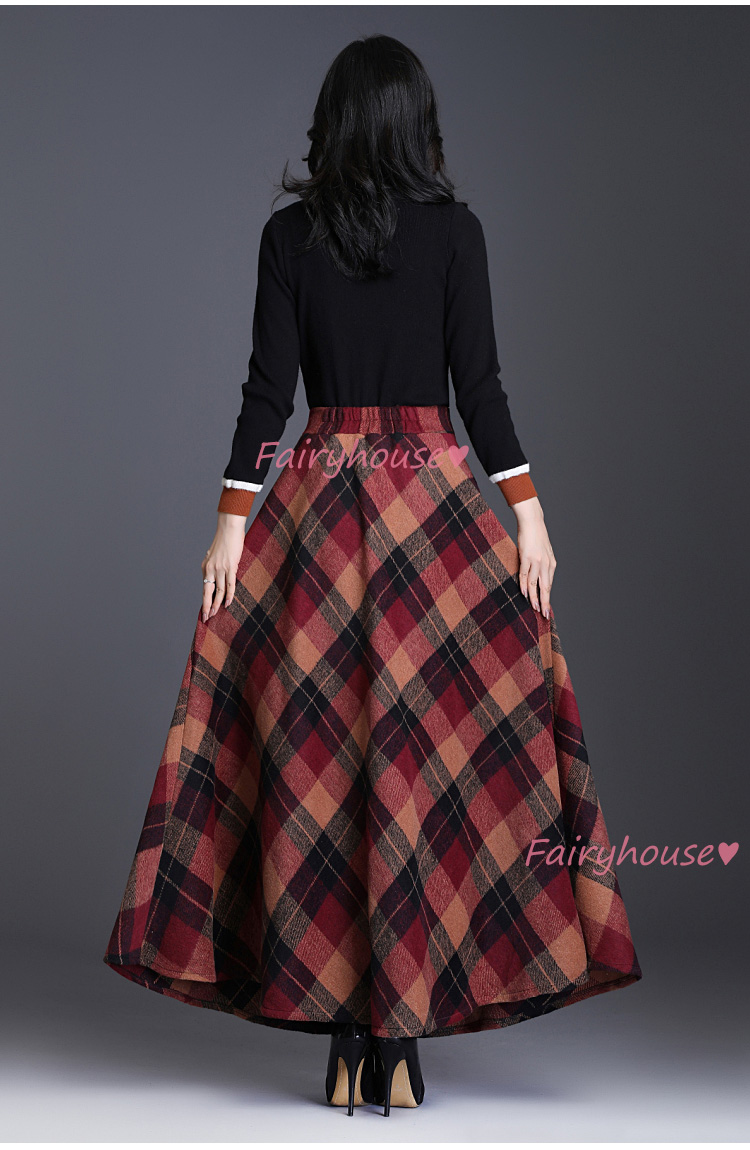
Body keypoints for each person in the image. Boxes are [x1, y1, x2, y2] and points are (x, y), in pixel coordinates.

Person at [103, 33, 642, 1116]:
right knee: (422, 767)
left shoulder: (288, 237)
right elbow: (480, 388)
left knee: (324, 764)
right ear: (414, 124)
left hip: (316, 511)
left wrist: (230, 529)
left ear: (335, 122)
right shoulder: (456, 233)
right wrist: (529, 519)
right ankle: (400, 1041)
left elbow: (267, 398)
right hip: (433, 513)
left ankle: (349, 1039)